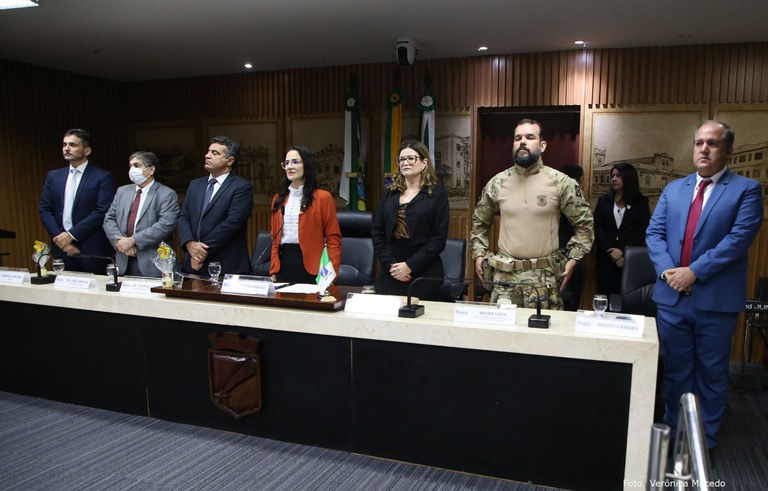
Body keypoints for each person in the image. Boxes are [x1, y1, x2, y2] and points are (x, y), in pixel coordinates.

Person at [647, 120, 763, 450]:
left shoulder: (746, 190)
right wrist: (669, 272)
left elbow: (737, 240)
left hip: (715, 302)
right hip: (672, 299)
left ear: (728, 151)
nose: (704, 149)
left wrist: (694, 272)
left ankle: (704, 443)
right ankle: (673, 438)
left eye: (712, 143)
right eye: (699, 142)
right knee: (675, 372)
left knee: (711, 375)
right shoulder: (674, 189)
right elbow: (654, 234)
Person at [470, 119, 593, 308]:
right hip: (505, 278)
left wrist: (573, 259)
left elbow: (585, 225)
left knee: (543, 327)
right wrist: (479, 253)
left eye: (529, 137)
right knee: (504, 327)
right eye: (517, 138)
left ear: (542, 145)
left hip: (543, 279)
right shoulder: (497, 183)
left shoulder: (561, 183)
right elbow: (479, 223)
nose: (522, 142)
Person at [372, 139, 449, 301]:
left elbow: (438, 239)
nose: (405, 163)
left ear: (424, 163)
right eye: (401, 159)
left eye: (410, 158)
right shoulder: (389, 194)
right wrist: (391, 266)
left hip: (424, 270)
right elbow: (377, 232)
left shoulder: (437, 195)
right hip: (391, 270)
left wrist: (410, 266)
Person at [39, 128, 116, 274]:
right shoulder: (53, 176)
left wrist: (71, 235)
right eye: (64, 144)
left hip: (92, 248)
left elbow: (102, 211)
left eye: (72, 145)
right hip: (61, 248)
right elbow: (45, 209)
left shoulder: (102, 177)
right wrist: (60, 239)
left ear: (87, 151)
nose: (66, 148)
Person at [178, 136, 253, 276]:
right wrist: (190, 244)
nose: (207, 155)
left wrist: (200, 252)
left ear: (230, 161)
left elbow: (232, 223)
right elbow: (184, 217)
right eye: (208, 151)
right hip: (192, 263)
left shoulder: (241, 187)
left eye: (215, 153)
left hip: (226, 263)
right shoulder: (195, 185)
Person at [268, 145, 341, 283]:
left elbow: (333, 239)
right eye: (286, 163)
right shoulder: (278, 199)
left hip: (314, 267)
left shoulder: (322, 197)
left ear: (307, 165)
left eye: (295, 162)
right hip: (283, 266)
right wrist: (273, 269)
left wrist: (331, 272)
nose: (289, 166)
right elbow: (274, 239)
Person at [102, 151, 180, 277]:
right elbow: (109, 218)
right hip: (124, 260)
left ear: (151, 170)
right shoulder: (122, 191)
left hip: (153, 263)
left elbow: (165, 225)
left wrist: (133, 240)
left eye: (137, 165)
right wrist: (121, 244)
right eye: (130, 166)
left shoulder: (166, 194)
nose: (132, 170)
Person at [593, 162, 651, 296]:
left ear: (628, 178)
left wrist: (623, 251)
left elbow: (642, 230)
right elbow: (598, 227)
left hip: (630, 259)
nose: (614, 179)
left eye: (618, 176)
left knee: (627, 299)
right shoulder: (604, 200)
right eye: (612, 176)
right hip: (606, 259)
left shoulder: (641, 202)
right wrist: (611, 252)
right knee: (606, 297)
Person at [558, 164, 586, 311]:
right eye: (581, 181)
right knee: (568, 304)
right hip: (567, 257)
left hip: (558, 258)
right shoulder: (573, 201)